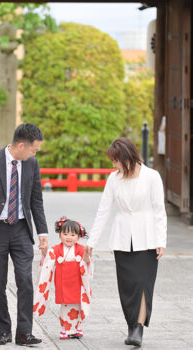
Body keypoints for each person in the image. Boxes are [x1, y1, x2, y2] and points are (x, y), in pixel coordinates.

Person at [0, 123, 49, 346]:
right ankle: (3, 330)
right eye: (34, 149)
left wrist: (42, 231)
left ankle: (24, 332)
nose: (35, 153)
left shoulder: (31, 163)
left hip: (22, 228)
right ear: (21, 145)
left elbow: (36, 199)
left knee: (25, 280)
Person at [84, 137, 167, 347]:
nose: (114, 165)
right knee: (127, 286)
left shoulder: (152, 177)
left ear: (127, 157)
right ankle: (131, 326)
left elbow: (159, 210)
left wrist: (161, 240)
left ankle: (138, 329)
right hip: (122, 240)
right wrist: (91, 242)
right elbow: (103, 211)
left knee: (143, 284)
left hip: (147, 239)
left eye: (116, 160)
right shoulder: (114, 179)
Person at [33, 217, 93, 340]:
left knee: (77, 305)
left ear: (78, 236)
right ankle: (65, 328)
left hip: (77, 283)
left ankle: (76, 328)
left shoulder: (81, 250)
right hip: (63, 284)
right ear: (60, 234)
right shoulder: (56, 250)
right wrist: (44, 252)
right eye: (65, 234)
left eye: (72, 235)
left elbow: (88, 264)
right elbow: (47, 262)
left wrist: (87, 258)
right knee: (65, 307)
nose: (68, 237)